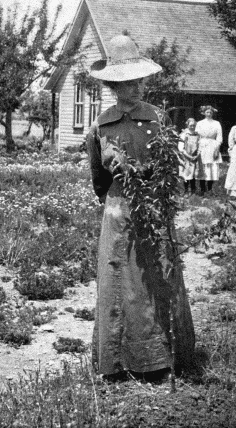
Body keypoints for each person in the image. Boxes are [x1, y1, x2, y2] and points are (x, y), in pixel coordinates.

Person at [86, 34, 195, 379]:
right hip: (118, 211)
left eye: (136, 81)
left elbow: (171, 169)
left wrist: (147, 182)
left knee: (154, 279)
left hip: (153, 209)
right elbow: (98, 177)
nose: (131, 88)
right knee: (118, 280)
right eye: (122, 83)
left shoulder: (158, 120)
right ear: (112, 85)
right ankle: (116, 362)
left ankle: (159, 360)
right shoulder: (101, 125)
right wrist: (116, 198)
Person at [196, 105, 223, 196]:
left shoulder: (216, 123)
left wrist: (217, 149)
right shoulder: (199, 123)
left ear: (213, 113)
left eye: (210, 112)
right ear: (204, 113)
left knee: (211, 167)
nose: (209, 114)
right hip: (202, 145)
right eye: (207, 112)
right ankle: (202, 189)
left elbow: (219, 137)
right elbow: (196, 136)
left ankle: (210, 189)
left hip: (213, 145)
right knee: (202, 166)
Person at [178, 118, 199, 196]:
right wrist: (188, 156)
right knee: (186, 174)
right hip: (186, 157)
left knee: (193, 174)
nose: (192, 127)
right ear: (187, 125)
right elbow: (181, 148)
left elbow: (200, 146)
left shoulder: (197, 135)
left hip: (194, 157)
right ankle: (186, 191)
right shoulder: (184, 134)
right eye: (191, 125)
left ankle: (193, 191)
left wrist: (197, 155)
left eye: (194, 125)